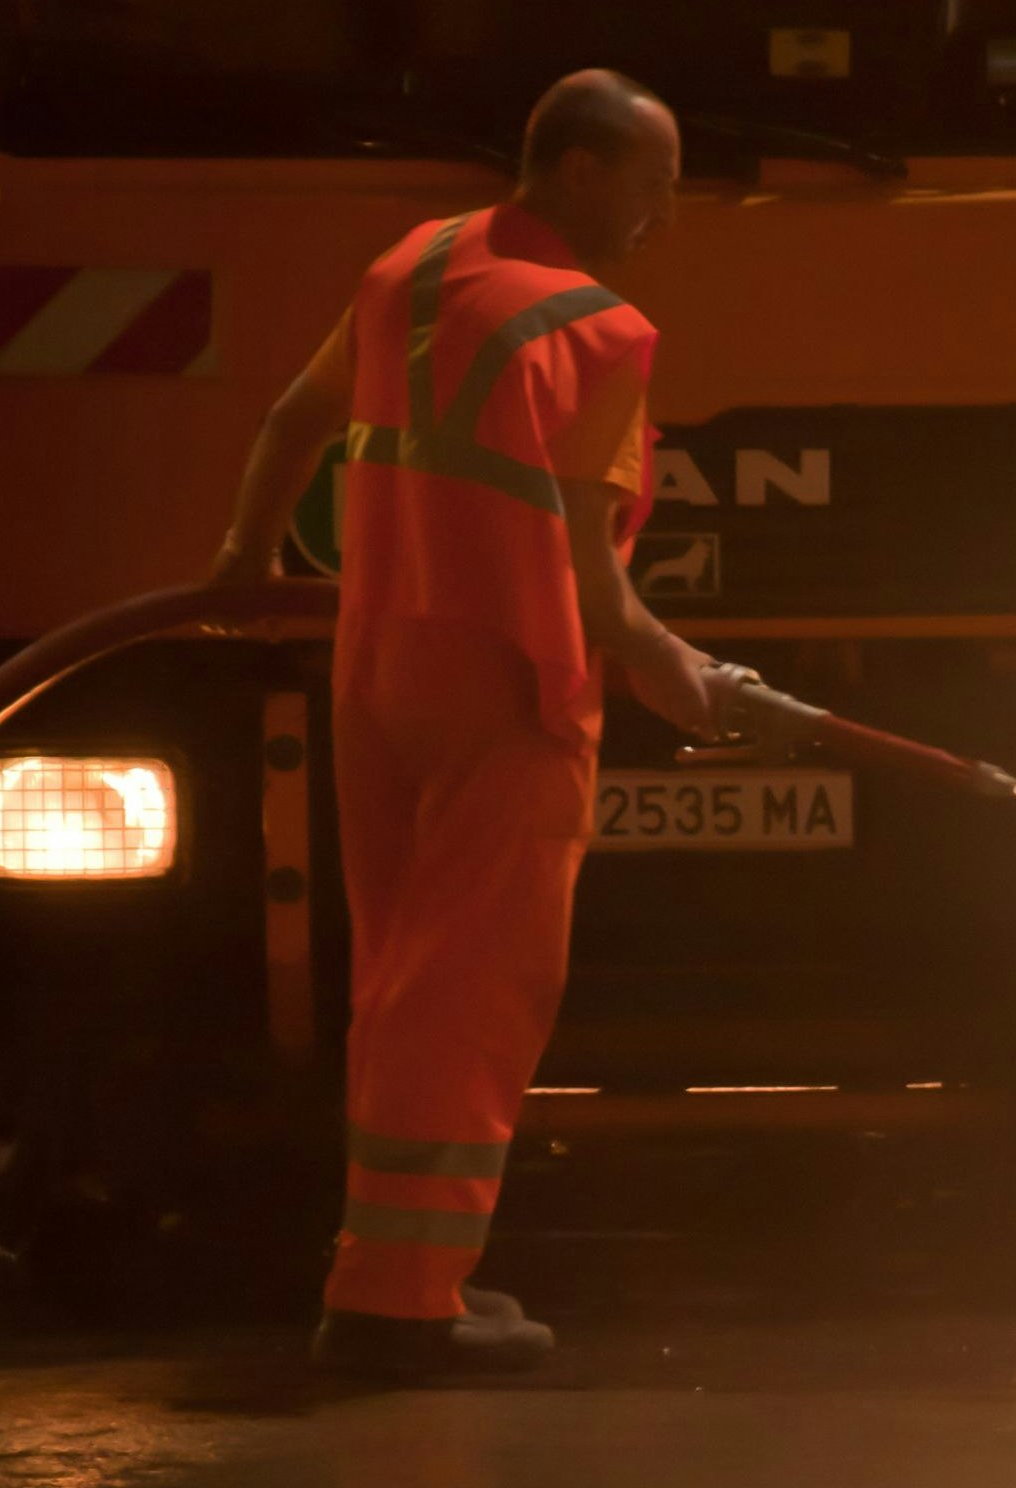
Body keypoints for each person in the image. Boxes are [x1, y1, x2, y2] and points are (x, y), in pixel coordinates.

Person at [209, 69, 725, 1378]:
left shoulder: (412, 266)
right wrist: (671, 666)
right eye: (656, 185)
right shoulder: (598, 333)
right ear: (580, 171)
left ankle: (404, 1275)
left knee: (400, 978)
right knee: (471, 995)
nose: (664, 216)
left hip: (379, 671)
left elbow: (292, 420)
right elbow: (590, 575)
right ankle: (397, 1306)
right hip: (512, 686)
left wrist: (239, 564)